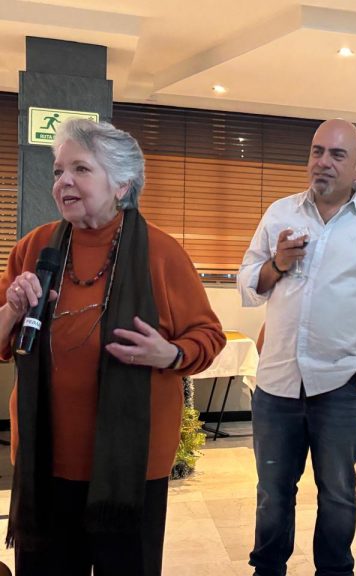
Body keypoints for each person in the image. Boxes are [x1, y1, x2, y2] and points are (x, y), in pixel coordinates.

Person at [0, 119, 226, 575]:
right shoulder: (34, 248)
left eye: (80, 169)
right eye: (59, 171)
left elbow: (208, 336)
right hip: (44, 463)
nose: (63, 181)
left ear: (122, 185)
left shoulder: (162, 253)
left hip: (130, 468)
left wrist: (170, 354)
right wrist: (12, 308)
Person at [237, 118, 356, 576]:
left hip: (342, 383)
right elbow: (247, 286)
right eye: (317, 151)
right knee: (272, 492)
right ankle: (267, 569)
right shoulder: (280, 213)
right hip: (277, 383)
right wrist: (277, 264)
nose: (323, 162)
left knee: (337, 493)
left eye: (337, 154)